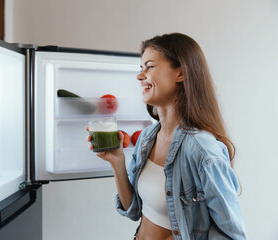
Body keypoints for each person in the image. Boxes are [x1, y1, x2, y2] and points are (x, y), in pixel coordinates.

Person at [86, 33, 247, 239]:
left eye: (149, 67)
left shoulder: (203, 150)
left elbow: (232, 234)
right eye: (140, 68)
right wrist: (117, 161)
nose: (140, 76)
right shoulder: (147, 138)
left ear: (180, 73)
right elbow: (133, 209)